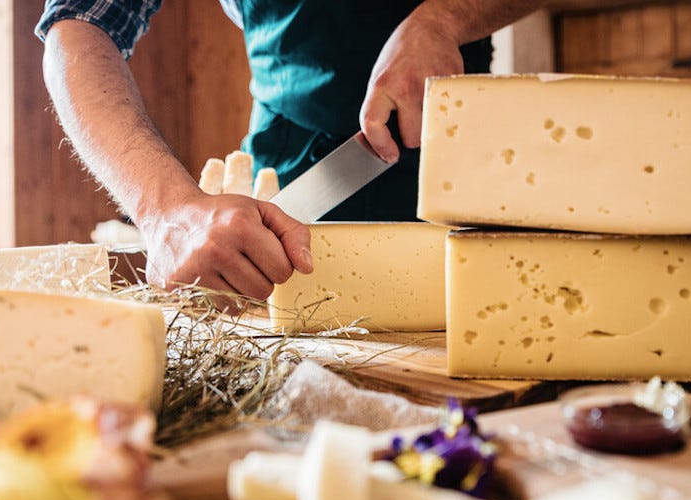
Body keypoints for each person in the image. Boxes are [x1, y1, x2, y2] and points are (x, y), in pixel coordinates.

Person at [36, 0, 542, 303]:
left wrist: (444, 19)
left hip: (464, 168)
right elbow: (78, 21)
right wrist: (163, 208)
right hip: (287, 189)